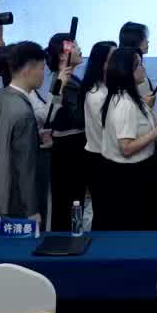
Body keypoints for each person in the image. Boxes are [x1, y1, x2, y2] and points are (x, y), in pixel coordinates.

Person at [99, 45, 157, 230]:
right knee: (142, 224)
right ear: (127, 72)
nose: (143, 68)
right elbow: (126, 148)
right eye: (139, 64)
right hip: (133, 177)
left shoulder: (129, 97)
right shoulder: (125, 104)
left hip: (140, 171)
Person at [0, 40, 47, 222]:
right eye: (42, 68)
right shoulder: (24, 112)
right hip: (19, 197)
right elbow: (25, 166)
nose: (43, 74)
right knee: (25, 238)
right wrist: (32, 209)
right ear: (28, 69)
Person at [42, 32, 87, 232]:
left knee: (72, 200)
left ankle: (71, 236)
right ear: (63, 55)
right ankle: (66, 240)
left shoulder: (70, 79)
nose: (79, 49)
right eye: (75, 46)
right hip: (69, 148)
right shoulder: (63, 83)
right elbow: (75, 118)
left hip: (72, 146)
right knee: (69, 201)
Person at [81, 38, 116, 223]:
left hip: (107, 156)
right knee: (105, 213)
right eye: (113, 58)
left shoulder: (107, 89)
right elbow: (111, 130)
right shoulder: (97, 95)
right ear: (102, 64)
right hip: (101, 160)